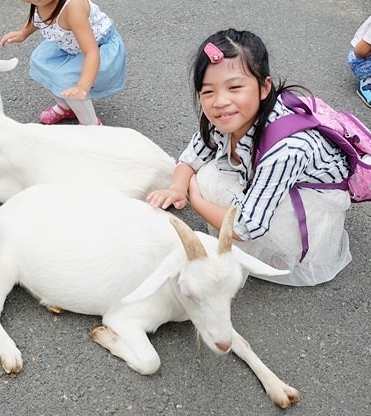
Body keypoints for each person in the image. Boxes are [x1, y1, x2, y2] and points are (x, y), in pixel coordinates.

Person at [147, 29, 352, 287]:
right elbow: (192, 157)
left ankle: (284, 252)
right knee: (206, 173)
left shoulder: (286, 149)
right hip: (284, 186)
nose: (220, 102)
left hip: (310, 209)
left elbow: (245, 227)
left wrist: (194, 197)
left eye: (234, 87)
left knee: (208, 180)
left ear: (264, 87)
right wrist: (177, 187)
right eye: (208, 91)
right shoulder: (230, 116)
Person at [0, 0, 126, 125]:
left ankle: (91, 124)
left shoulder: (73, 7)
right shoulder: (41, 2)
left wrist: (82, 87)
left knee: (68, 79)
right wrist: (23, 33)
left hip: (98, 48)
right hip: (70, 45)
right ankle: (67, 106)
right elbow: (38, 17)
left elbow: (91, 53)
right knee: (42, 63)